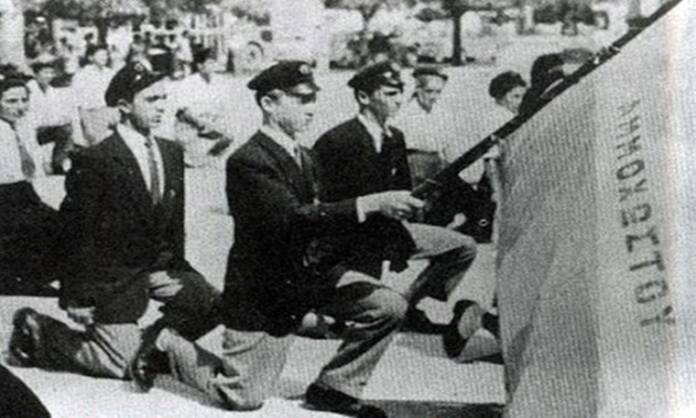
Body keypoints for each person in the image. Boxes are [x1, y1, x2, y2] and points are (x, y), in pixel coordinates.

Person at [129, 61, 421, 417]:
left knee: (389, 306)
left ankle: (335, 388)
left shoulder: (305, 156)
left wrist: (384, 216)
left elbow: (327, 216)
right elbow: (293, 220)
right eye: (301, 100)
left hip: (309, 279)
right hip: (264, 293)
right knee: (242, 397)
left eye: (313, 99)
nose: (311, 108)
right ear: (269, 103)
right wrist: (370, 203)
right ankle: (166, 344)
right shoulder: (248, 160)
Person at [7, 63, 220, 380]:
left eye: (163, 98)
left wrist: (187, 277)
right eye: (151, 100)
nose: (161, 107)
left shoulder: (171, 152)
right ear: (123, 106)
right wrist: (74, 295)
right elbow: (74, 232)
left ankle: (151, 347)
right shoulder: (96, 159)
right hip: (112, 277)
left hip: (157, 266)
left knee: (212, 304)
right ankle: (39, 331)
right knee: (120, 364)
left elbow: (173, 225)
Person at [313, 61, 478, 334]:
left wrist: (408, 211)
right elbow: (325, 205)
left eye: (400, 92)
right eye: (390, 93)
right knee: (363, 312)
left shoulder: (394, 137)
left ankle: (411, 306)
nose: (399, 100)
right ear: (363, 97)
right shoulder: (337, 140)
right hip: (350, 239)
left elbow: (402, 186)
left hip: (389, 231)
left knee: (463, 247)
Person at [0, 71, 58, 295]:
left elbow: (34, 171)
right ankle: (19, 279)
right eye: (11, 101)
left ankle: (36, 276)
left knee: (59, 221)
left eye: (24, 100)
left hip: (22, 191)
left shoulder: (24, 126)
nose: (20, 107)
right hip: (4, 194)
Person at [170, 47, 234, 167]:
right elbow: (182, 112)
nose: (213, 66)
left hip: (208, 124)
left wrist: (215, 123)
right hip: (190, 125)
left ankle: (207, 155)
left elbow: (221, 108)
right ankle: (192, 154)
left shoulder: (217, 82)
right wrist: (202, 124)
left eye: (213, 63)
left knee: (229, 135)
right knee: (192, 159)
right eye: (209, 63)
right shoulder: (188, 83)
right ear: (200, 66)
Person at [394, 66, 449, 188]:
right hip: (415, 165)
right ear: (418, 89)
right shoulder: (405, 113)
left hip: (437, 163)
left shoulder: (438, 111)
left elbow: (443, 145)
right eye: (429, 91)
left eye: (438, 92)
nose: (434, 96)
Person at [27, 59, 75, 174]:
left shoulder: (51, 90)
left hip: (44, 128)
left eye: (51, 73)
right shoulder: (29, 90)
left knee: (66, 129)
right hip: (30, 129)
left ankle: (58, 164)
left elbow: (55, 113)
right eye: (45, 72)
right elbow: (31, 117)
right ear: (36, 74)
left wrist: (62, 120)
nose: (49, 76)